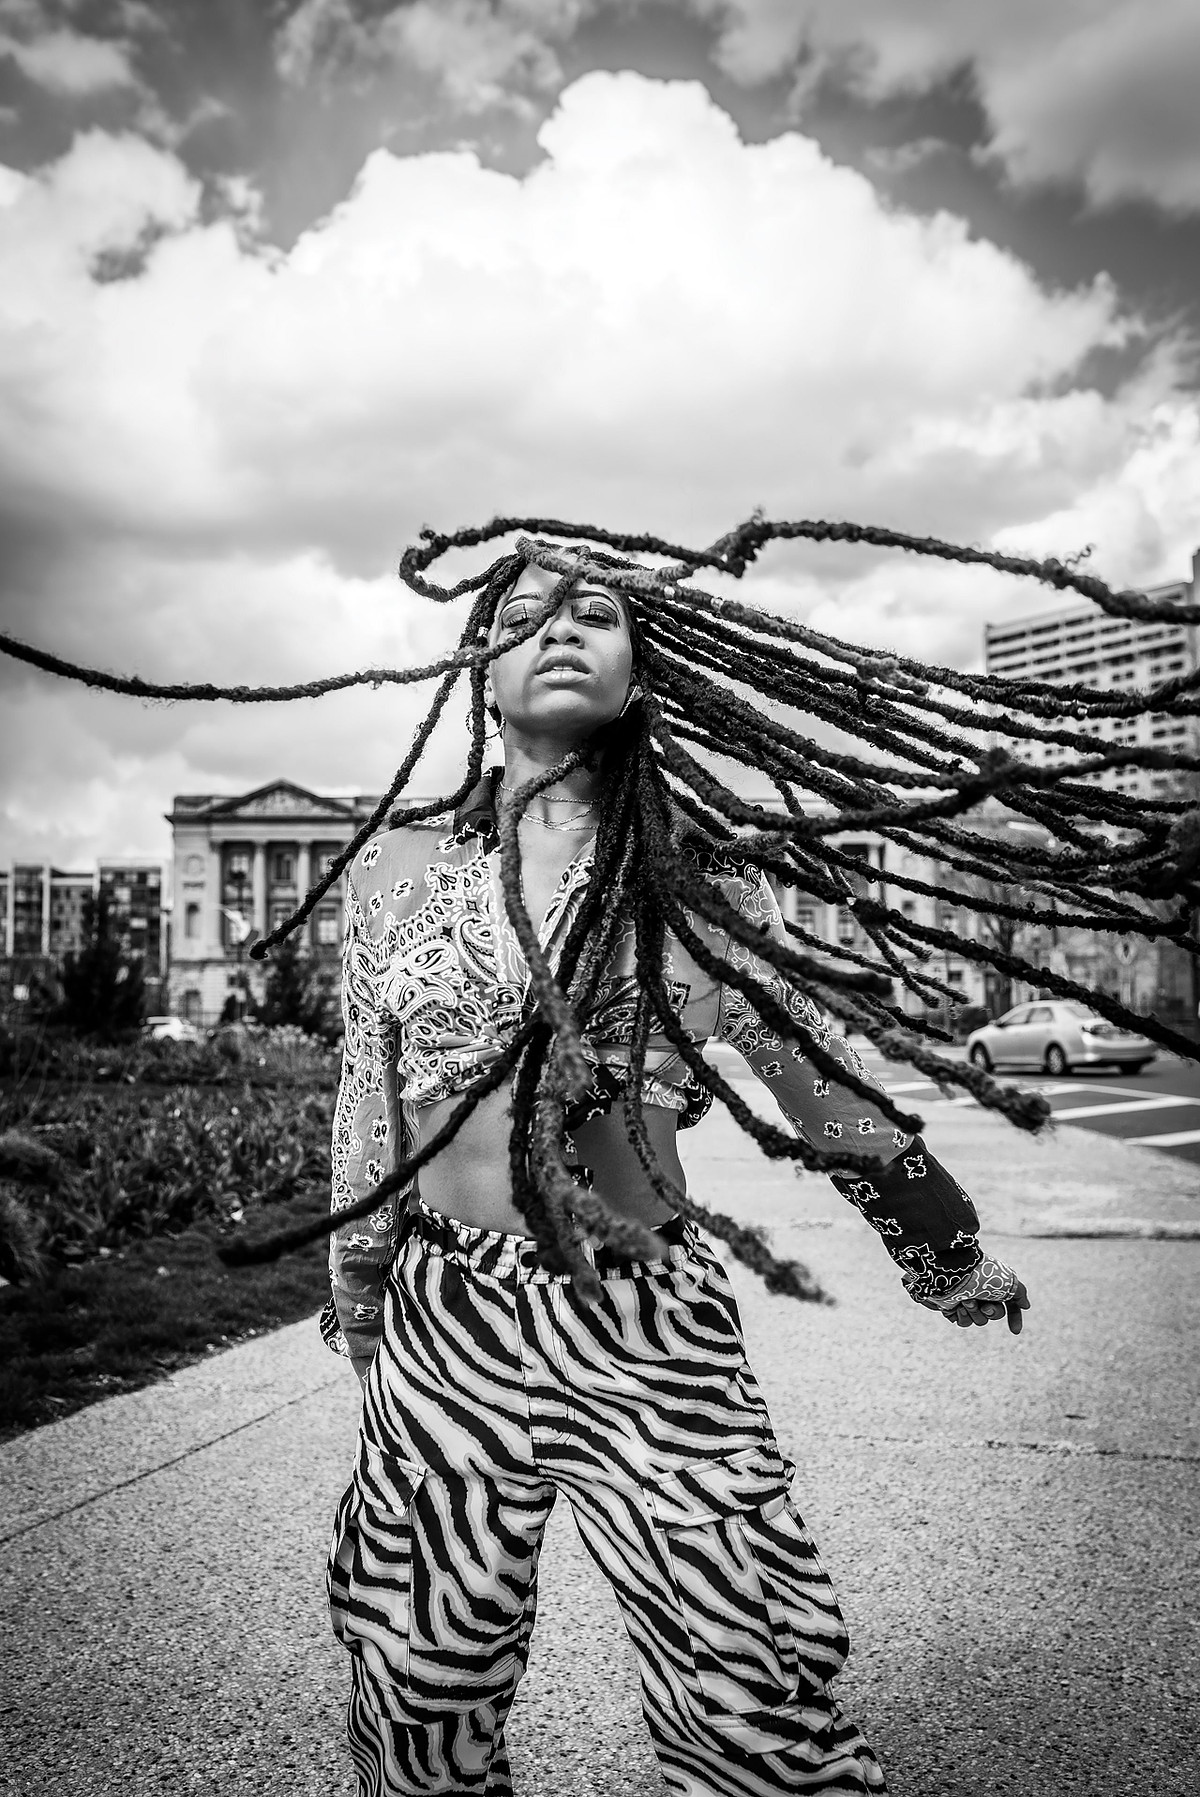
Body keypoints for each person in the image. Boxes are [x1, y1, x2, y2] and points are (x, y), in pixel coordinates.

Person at [322, 552, 1030, 1797]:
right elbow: (363, 1097)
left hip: (646, 1320)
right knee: (420, 1666)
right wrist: (361, 1276)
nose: (559, 632)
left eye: (596, 615)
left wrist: (945, 1250)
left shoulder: (704, 879)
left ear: (646, 666)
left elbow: (824, 1081)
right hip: (449, 1325)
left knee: (743, 1662)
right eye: (523, 616)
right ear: (477, 667)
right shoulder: (392, 875)